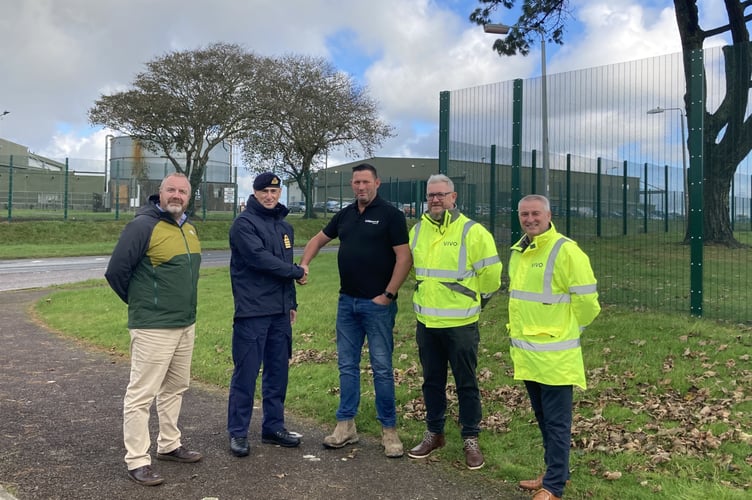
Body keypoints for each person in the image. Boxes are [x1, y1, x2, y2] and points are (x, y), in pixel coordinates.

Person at [299, 163, 412, 458]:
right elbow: (317, 240)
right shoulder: (346, 215)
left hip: (377, 306)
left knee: (382, 369)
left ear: (377, 182)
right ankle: (346, 426)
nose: (361, 187)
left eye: (366, 182)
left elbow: (404, 258)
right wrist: (304, 263)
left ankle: (389, 431)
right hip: (346, 304)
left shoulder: (391, 215)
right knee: (347, 367)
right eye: (356, 183)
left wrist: (388, 295)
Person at [105, 173, 202, 487]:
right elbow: (116, 271)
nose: (176, 195)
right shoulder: (142, 226)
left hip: (185, 323)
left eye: (182, 191)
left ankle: (169, 444)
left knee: (175, 388)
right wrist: (143, 305)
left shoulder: (188, 227)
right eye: (171, 190)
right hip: (153, 327)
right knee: (141, 395)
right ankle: (137, 460)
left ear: (189, 196)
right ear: (159, 193)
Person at [406, 174, 502, 470]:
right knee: (431, 381)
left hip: (461, 325)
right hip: (427, 323)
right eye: (431, 195)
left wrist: (475, 302)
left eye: (441, 194)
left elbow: (491, 277)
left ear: (454, 196)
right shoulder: (418, 230)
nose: (435, 199)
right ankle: (434, 433)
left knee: (466, 383)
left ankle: (470, 438)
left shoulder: (473, 232)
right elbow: (413, 271)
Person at [508, 194, 601, 500]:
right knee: (544, 419)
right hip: (529, 354)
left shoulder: (566, 251)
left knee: (558, 424)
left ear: (549, 215)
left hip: (556, 356)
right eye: (524, 214)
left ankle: (554, 487)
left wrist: (573, 329)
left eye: (535, 213)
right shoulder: (519, 251)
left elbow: (588, 304)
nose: (529, 219)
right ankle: (554, 473)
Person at [226, 172, 308, 457]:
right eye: (265, 192)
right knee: (246, 374)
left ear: (280, 193)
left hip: (279, 312)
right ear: (255, 192)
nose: (270, 196)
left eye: (275, 191)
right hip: (252, 312)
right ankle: (238, 432)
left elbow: (283, 264)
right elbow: (260, 259)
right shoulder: (243, 224)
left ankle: (273, 427)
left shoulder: (285, 227)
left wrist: (292, 303)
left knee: (278, 373)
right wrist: (297, 272)